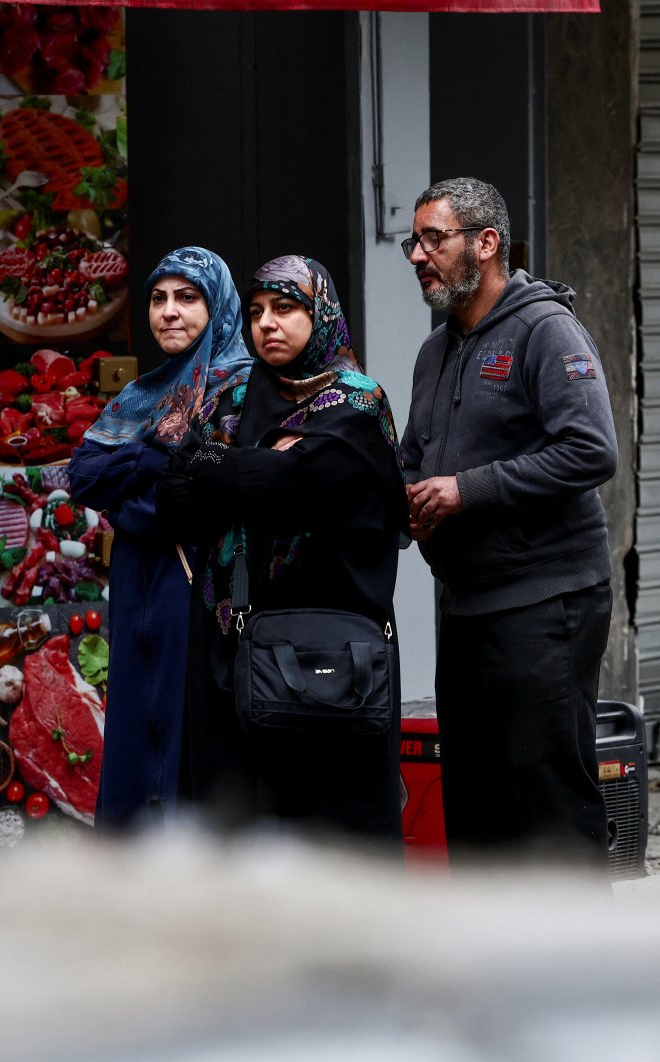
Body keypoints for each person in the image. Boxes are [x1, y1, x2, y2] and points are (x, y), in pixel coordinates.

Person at [400, 177, 617, 866]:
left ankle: (583, 969)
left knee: (549, 805)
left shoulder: (544, 330)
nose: (416, 254)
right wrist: (404, 495)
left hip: (546, 602)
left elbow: (592, 450)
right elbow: (414, 455)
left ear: (485, 243)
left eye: (434, 238)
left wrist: (468, 491)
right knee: (477, 807)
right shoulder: (435, 353)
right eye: (414, 240)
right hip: (469, 607)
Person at [158, 255, 406, 843]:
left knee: (336, 832)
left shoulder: (358, 404)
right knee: (238, 825)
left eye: (286, 308)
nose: (267, 323)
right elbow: (175, 496)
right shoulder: (236, 394)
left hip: (332, 653)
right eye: (256, 312)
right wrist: (252, 468)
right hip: (233, 644)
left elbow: (288, 481)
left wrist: (212, 461)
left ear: (320, 315)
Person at [67, 247, 252, 832]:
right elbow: (83, 475)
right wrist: (154, 458)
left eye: (187, 298)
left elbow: (194, 499)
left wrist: (137, 481)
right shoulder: (142, 395)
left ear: (218, 306)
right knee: (129, 729)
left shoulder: (241, 391)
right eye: (158, 298)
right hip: (134, 585)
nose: (169, 312)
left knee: (185, 733)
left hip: (198, 584)